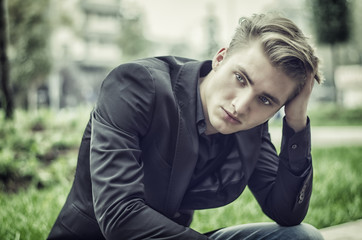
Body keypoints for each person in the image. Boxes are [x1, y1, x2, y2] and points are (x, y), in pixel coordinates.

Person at [48, 13, 325, 240]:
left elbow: (287, 213)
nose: (241, 106)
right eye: (240, 78)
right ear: (220, 58)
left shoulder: (251, 125)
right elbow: (120, 215)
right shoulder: (136, 86)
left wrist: (296, 120)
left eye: (265, 100)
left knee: (302, 237)